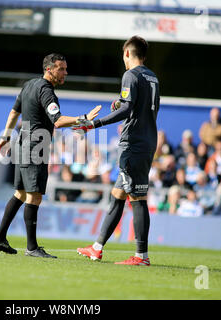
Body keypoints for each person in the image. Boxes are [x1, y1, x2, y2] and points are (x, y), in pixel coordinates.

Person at [0, 53, 101, 258]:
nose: (65, 72)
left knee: (20, 194)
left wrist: (5, 135)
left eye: (66, 68)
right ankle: (31, 248)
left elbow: (15, 111)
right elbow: (57, 121)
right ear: (49, 69)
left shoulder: (29, 85)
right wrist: (83, 119)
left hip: (23, 143)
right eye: (62, 69)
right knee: (34, 196)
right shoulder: (46, 91)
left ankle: (0, 237)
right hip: (35, 147)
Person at [74, 36, 160, 266]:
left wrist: (95, 123)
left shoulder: (130, 75)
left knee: (138, 198)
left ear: (127, 54)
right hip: (147, 140)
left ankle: (141, 256)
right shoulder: (152, 77)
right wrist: (122, 106)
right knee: (118, 196)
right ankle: (97, 247)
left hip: (133, 144)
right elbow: (139, 107)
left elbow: (128, 109)